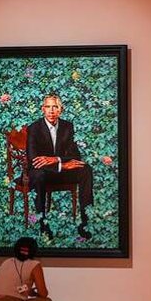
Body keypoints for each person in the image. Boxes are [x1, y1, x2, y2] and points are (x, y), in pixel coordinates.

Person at [26, 94, 95, 240]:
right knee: (39, 174)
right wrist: (62, 165)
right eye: (48, 107)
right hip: (42, 173)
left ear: (60, 110)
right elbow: (34, 160)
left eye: (55, 107)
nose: (51, 111)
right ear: (42, 109)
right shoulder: (34, 128)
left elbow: (74, 155)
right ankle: (43, 225)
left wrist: (54, 160)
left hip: (58, 170)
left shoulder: (67, 126)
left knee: (85, 169)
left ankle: (85, 223)